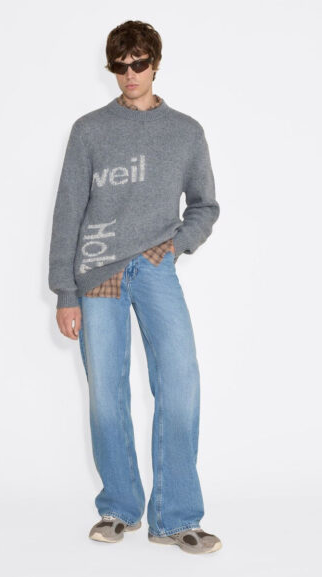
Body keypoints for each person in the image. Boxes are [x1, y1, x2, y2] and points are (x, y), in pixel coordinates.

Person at [48, 20, 222, 555]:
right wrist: (65, 291)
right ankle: (119, 508)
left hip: (154, 268)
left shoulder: (185, 132)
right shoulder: (89, 130)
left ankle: (176, 517)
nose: (130, 74)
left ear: (155, 64)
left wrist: (173, 247)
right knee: (107, 393)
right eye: (120, 66)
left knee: (180, 382)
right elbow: (68, 211)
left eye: (139, 63)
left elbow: (204, 205)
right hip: (97, 272)